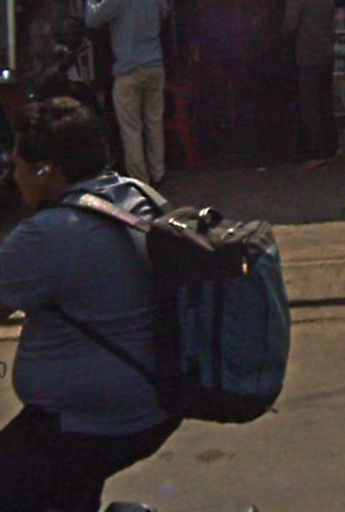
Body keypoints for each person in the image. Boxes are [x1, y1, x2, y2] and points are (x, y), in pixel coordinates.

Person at [0, 96, 181, 512]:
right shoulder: (135, 194)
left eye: (19, 166)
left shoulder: (49, 233)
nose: (15, 177)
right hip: (153, 402)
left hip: (90, 421)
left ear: (46, 170)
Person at [85, 0, 169, 185]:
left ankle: (140, 180)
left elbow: (92, 19)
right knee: (154, 123)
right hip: (155, 65)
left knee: (131, 129)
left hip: (128, 70)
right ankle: (158, 172)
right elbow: (164, 11)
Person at [282, 0, 338, 170]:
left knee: (309, 105)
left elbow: (289, 26)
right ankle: (330, 148)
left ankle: (316, 153)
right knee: (325, 103)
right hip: (326, 52)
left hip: (307, 55)